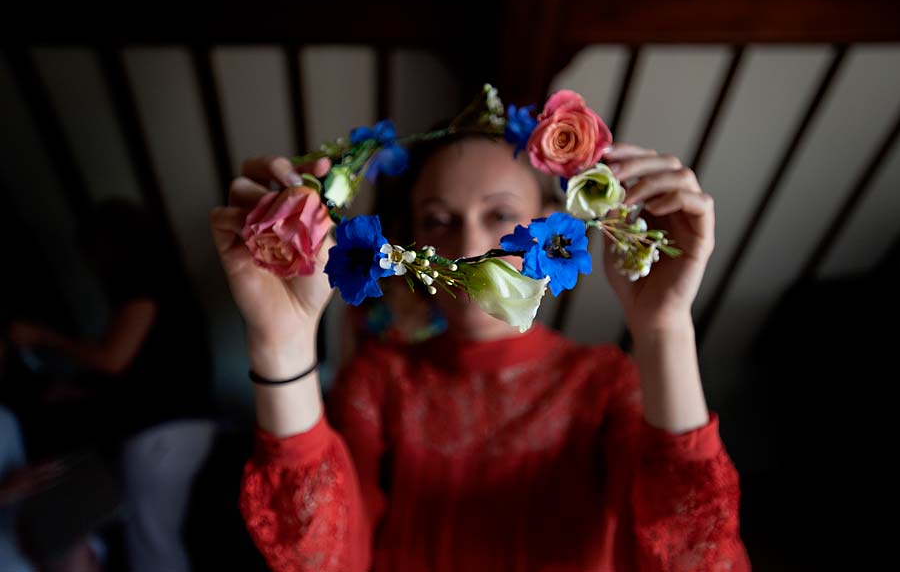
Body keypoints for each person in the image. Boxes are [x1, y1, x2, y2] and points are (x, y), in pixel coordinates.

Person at [209, 131, 752, 571]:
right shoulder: (379, 380)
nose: (469, 249)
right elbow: (320, 559)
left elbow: (692, 554)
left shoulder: (603, 382)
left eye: (498, 215)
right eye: (439, 221)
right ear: (411, 241)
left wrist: (664, 329)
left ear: (550, 223)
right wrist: (281, 344)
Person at [6, 199, 217, 572]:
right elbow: (142, 374)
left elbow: (112, 359)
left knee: (151, 540)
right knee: (154, 533)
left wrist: (44, 337)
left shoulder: (143, 292)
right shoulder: (167, 289)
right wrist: (83, 391)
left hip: (164, 434)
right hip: (185, 428)